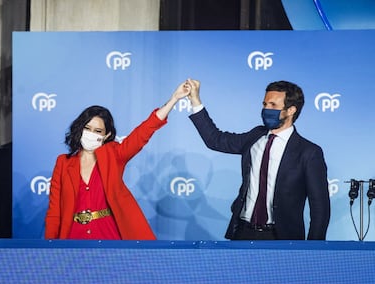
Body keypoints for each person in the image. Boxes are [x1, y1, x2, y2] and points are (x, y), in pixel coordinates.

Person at [186, 79, 330, 240]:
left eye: (273, 105)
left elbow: (320, 208)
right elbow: (215, 140)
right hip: (243, 232)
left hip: (282, 238)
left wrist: (311, 250)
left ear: (291, 110)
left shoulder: (309, 152)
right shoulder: (255, 136)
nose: (266, 109)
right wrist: (195, 100)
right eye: (264, 104)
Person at [45, 82, 191, 240]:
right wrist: (49, 248)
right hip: (73, 237)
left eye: (98, 131)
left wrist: (174, 99)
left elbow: (143, 132)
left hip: (108, 235)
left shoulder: (114, 155)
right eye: (87, 128)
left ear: (106, 135)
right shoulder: (63, 163)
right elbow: (54, 212)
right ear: (80, 129)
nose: (91, 134)